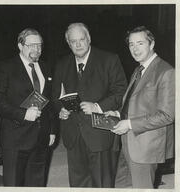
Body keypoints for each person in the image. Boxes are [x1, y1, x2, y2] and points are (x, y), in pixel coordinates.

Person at [52, 22, 127, 187]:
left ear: (89, 38)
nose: (78, 44)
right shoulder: (62, 64)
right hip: (73, 135)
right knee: (78, 184)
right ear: (68, 43)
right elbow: (56, 96)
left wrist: (97, 107)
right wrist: (61, 109)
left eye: (81, 39)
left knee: (102, 184)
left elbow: (121, 92)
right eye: (73, 41)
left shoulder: (109, 59)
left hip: (100, 133)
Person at [105, 26, 175, 188]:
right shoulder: (138, 69)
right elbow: (135, 103)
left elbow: (167, 115)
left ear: (151, 44)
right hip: (128, 142)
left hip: (146, 148)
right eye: (131, 44)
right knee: (122, 185)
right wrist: (117, 113)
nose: (135, 49)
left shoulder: (166, 72)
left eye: (140, 43)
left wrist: (129, 124)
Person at [0, 28, 56, 187]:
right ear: (20, 46)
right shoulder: (6, 67)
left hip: (41, 137)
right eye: (32, 45)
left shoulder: (46, 67)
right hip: (16, 139)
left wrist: (52, 130)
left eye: (39, 45)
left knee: (37, 184)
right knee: (14, 184)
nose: (37, 49)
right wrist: (22, 114)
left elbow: (51, 101)